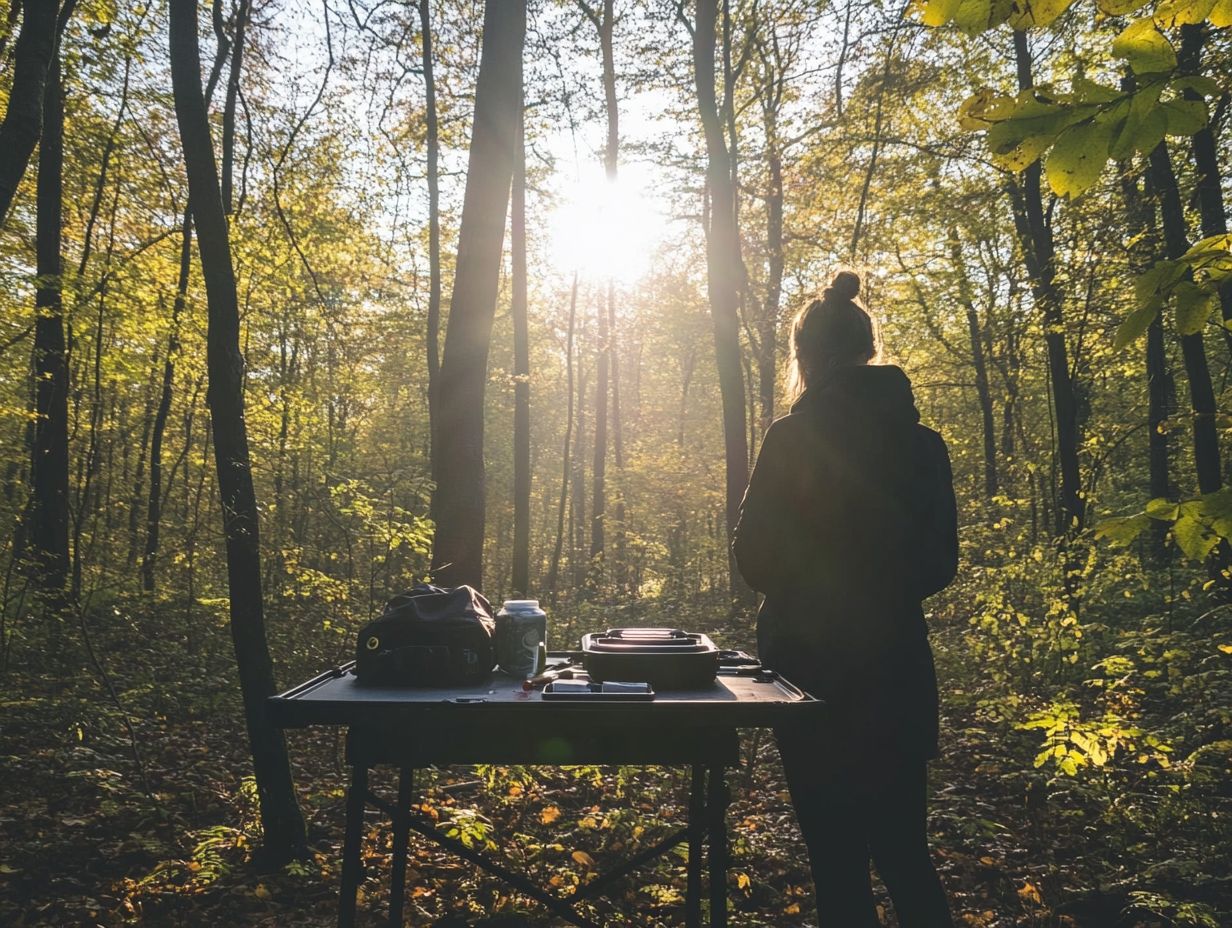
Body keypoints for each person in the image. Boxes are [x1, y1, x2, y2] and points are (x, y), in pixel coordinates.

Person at [732, 270, 958, 928]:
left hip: (808, 674)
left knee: (835, 864)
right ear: (868, 347)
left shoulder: (789, 439)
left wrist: (814, 584)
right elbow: (937, 564)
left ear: (806, 357)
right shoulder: (924, 447)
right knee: (904, 854)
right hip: (896, 668)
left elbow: (754, 561)